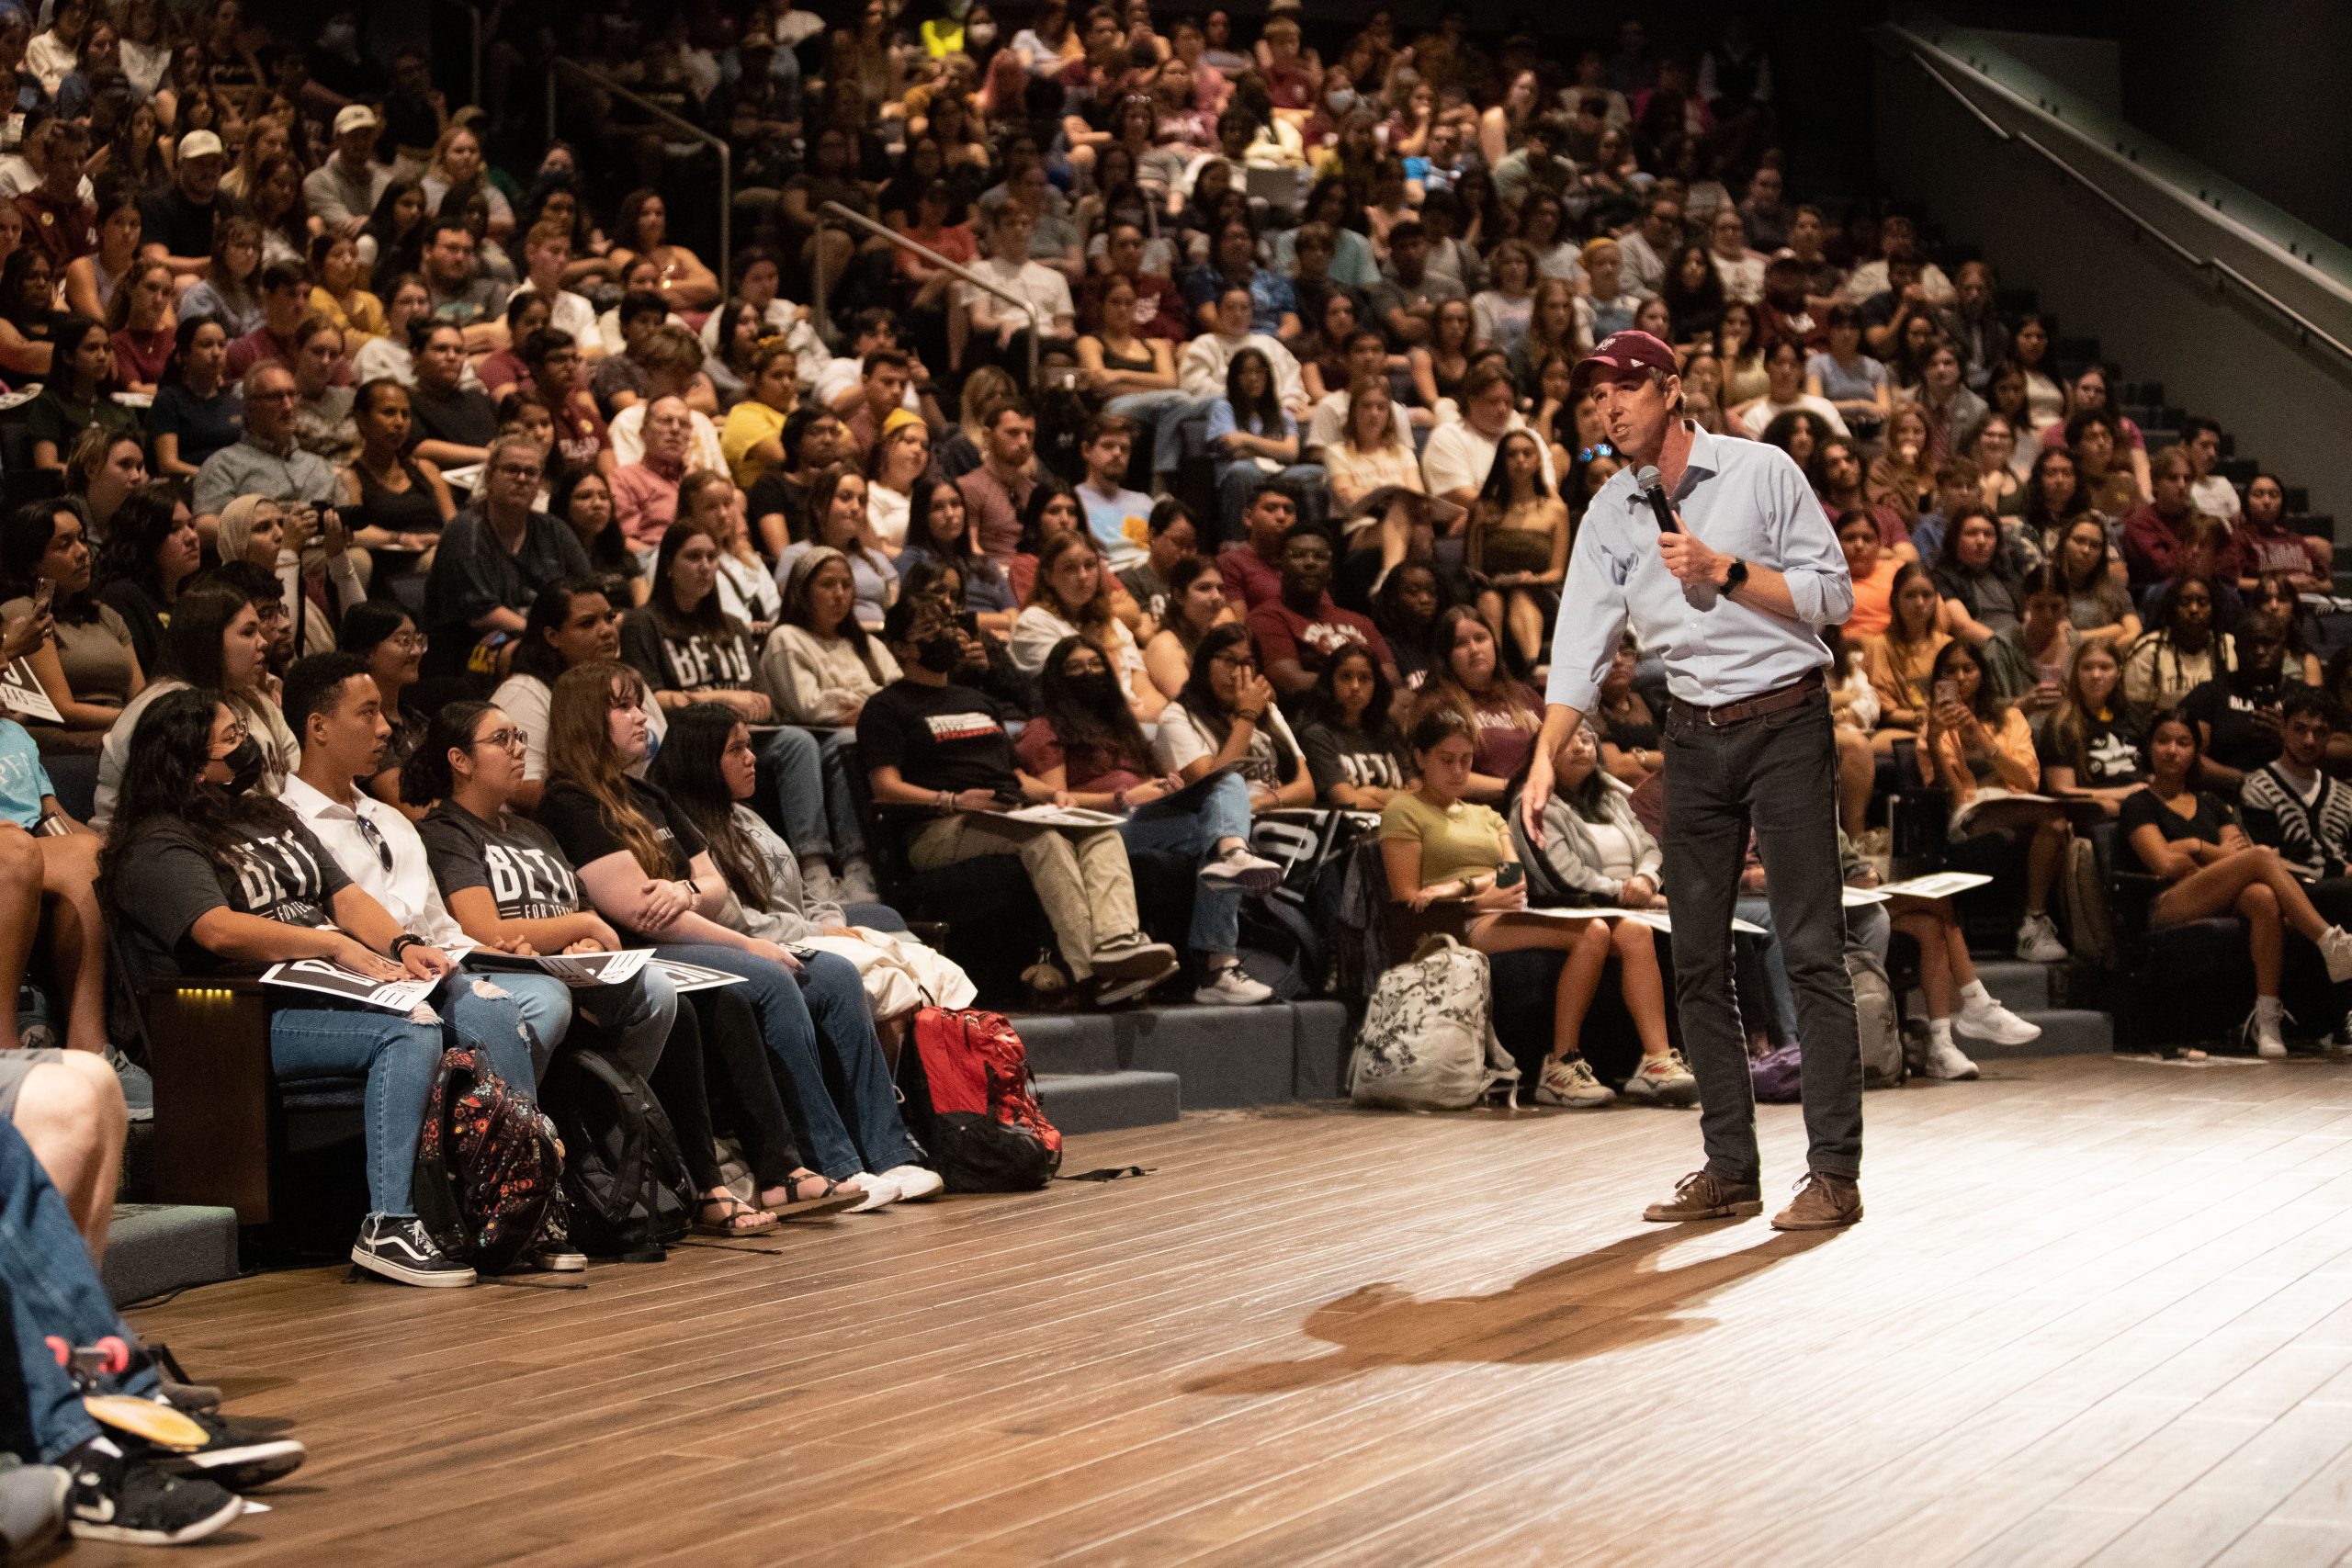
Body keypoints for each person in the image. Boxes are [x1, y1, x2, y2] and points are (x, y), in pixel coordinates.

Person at [1524, 328, 1862, 1231]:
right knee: (1698, 959)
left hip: (1787, 719)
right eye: (1598, 395)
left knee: (1809, 948)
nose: (1609, 407)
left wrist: (1726, 572)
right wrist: (1536, 758)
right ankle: (1729, 1168)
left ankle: (1833, 1171)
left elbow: (1833, 594)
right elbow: (1579, 648)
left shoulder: (1760, 472)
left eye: (1627, 389)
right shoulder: (1609, 512)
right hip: (1694, 739)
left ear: (1672, 390)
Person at [104, 686, 551, 1286]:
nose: (251, 748)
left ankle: (518, 1204)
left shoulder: (269, 815)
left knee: (480, 1000)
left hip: (336, 988)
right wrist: (336, 945)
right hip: (248, 1017)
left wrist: (401, 945)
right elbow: (214, 929)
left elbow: (343, 894)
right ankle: (388, 1225)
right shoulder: (157, 841)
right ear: (185, 759)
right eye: (231, 739)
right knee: (409, 1031)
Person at [409, 699, 846, 1231]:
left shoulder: (532, 831)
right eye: (502, 740)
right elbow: (485, 928)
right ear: (460, 759)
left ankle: (724, 1180)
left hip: (580, 967)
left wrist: (583, 936)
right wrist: (582, 931)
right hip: (516, 972)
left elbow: (584, 909)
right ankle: (615, 1150)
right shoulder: (446, 831)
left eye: (521, 736)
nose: (520, 749)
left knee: (721, 1001)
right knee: (675, 1005)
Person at [537, 663, 939, 1205]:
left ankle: (888, 1152)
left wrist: (683, 890)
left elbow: (715, 886)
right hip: (643, 953)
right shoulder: (571, 801)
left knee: (836, 975)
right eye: (623, 706)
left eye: (639, 703)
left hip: (690, 934)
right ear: (586, 720)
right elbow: (635, 910)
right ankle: (825, 1164)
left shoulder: (648, 795)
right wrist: (746, 942)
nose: (640, 716)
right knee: (772, 976)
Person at [861, 592, 1182, 1003]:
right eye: (929, 632)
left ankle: (1118, 944)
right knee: (1043, 839)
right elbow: (885, 787)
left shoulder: (975, 700)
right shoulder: (886, 707)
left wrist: (1057, 797)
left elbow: (1013, 775)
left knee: (1100, 833)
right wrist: (953, 801)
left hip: (1006, 813)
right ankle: (1090, 973)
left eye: (945, 627)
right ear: (902, 647)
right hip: (937, 829)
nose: (944, 636)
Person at [1386, 708, 1691, 1109]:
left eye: (1466, 760)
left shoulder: (1485, 813)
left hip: (1501, 908)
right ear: (1420, 757)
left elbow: (1513, 876)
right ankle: (1560, 1065)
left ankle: (1655, 1061)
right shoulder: (1403, 810)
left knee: (1634, 931)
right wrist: (1473, 895)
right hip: (1457, 921)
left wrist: (1480, 886)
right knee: (1594, 930)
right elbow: (1408, 898)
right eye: (1447, 760)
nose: (1459, 771)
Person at [1016, 637, 1281, 1004]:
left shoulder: (1121, 726)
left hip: (1145, 820)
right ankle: (1216, 963)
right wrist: (1122, 797)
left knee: (1228, 793)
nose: (1088, 674)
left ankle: (1219, 961)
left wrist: (1166, 785)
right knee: (1222, 809)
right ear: (1057, 680)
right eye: (1075, 668)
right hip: (1097, 830)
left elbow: (1154, 781)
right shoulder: (1045, 729)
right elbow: (1056, 803)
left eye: (1095, 665)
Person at [2125, 708, 2352, 1057]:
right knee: (2263, 858)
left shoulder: (2212, 803)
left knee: (2262, 896)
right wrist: (2217, 855)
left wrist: (2196, 849)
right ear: (2149, 747)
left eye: (2183, 742)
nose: (2172, 750)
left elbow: (2236, 855)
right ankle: (2328, 941)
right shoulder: (2139, 804)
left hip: (2213, 891)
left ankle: (2267, 1020)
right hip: (2165, 901)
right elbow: (2166, 863)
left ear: (2195, 752)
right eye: (2163, 741)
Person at [0, 500, 142, 754]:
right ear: (33, 563)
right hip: (74, 741)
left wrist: (146, 718)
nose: (82, 552)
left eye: (81, 539)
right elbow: (62, 708)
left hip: (125, 729)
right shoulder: (26, 613)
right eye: (65, 545)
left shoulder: (107, 616)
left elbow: (140, 697)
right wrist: (140, 721)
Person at [1011, 532, 1161, 719]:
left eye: (1090, 565)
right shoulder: (1034, 622)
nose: (1083, 576)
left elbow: (1144, 689)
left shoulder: (1112, 623)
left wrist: (1162, 716)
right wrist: (1134, 717)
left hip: (1132, 722)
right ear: (1048, 576)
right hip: (1075, 727)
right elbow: (1078, 696)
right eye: (1070, 568)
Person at [1245, 523, 1397, 699]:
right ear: (1281, 566)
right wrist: (1360, 682)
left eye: (1319, 557)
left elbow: (1392, 678)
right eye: (1299, 555)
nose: (1310, 563)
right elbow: (1291, 682)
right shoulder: (1266, 617)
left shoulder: (1360, 621)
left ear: (1331, 570)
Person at [189, 363, 338, 534]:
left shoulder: (318, 465)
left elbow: (347, 523)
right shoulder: (223, 464)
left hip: (323, 548)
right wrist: (266, 531)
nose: (288, 406)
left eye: (292, 395)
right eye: (275, 397)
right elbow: (204, 526)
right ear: (249, 408)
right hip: (264, 554)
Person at [764, 547, 903, 729]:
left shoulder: (868, 644)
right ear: (803, 591)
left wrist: (867, 709)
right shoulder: (786, 638)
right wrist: (875, 703)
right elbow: (809, 707)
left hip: (874, 728)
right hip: (818, 736)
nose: (839, 594)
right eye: (827, 584)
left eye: (846, 585)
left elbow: (902, 694)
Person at [1466, 429, 1570, 671]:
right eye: (1512, 454)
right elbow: (1472, 567)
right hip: (1491, 587)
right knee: (1490, 598)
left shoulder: (1556, 510)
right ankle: (1495, 669)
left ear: (1537, 461)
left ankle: (1532, 669)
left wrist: (1530, 579)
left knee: (1521, 596)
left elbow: (1557, 571)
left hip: (1538, 589)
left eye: (1527, 453)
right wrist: (1477, 530)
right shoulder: (1484, 508)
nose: (1520, 460)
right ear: (1502, 462)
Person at [1419, 605, 1544, 803]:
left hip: (1544, 802)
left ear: (1493, 644)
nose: (1474, 649)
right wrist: (1515, 788)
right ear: (1446, 656)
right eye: (1460, 643)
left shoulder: (1523, 694)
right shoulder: (1438, 705)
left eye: (1480, 638)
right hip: (1481, 813)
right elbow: (1440, 776)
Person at [2123, 574, 2232, 713]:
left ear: (2214, 607)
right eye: (2185, 602)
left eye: (2202, 602)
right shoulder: (2149, 651)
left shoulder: (2229, 647)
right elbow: (2135, 714)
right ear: (2172, 608)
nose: (2194, 609)